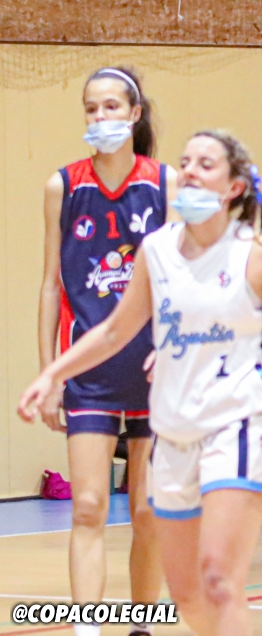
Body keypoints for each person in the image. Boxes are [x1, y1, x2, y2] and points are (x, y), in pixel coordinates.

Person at [20, 130, 262, 636]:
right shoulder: (156, 251)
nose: (191, 171)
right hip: (175, 432)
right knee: (188, 597)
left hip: (240, 423)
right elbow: (114, 331)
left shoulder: (260, 253)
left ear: (234, 187)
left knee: (219, 579)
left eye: (206, 164)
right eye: (186, 162)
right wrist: (52, 373)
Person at [35, 67, 174, 636]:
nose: (100, 118)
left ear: (135, 114)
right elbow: (51, 284)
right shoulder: (63, 187)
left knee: (147, 512)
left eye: (112, 107)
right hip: (89, 373)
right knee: (88, 505)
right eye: (91, 109)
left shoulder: (166, 185)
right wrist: (48, 374)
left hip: (155, 373)